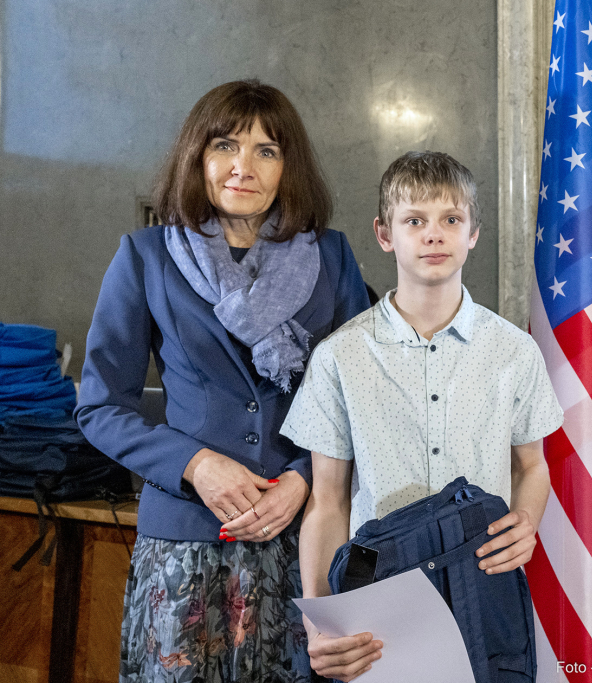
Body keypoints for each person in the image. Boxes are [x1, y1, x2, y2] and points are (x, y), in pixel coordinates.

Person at [76, 80, 370, 682]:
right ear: (197, 157)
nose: (244, 167)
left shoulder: (333, 258)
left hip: (302, 536)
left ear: (289, 167)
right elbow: (100, 406)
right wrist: (196, 465)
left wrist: (304, 478)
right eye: (226, 146)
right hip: (184, 540)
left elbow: (361, 398)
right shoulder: (146, 257)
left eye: (267, 150)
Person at [280, 151, 563, 682]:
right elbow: (327, 500)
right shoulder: (341, 356)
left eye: (451, 220)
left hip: (484, 581)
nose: (434, 235)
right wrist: (322, 619)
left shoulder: (515, 351)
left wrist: (527, 522)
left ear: (474, 232)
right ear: (385, 234)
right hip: (379, 592)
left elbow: (533, 467)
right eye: (415, 221)